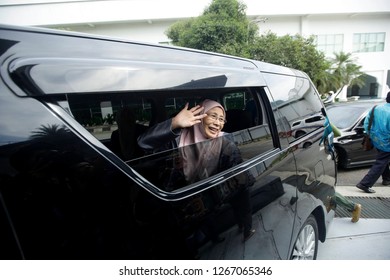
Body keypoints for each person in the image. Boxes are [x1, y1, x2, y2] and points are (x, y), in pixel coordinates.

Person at [137, 99, 256, 242]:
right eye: (213, 116)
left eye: (221, 119)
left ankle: (246, 228)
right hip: (182, 203)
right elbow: (142, 144)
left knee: (241, 193)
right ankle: (213, 238)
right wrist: (174, 123)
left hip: (213, 194)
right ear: (200, 116)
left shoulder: (225, 140)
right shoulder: (177, 140)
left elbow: (238, 171)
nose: (217, 123)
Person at [356, 92, 390, 193]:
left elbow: (367, 123)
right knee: (381, 161)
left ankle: (387, 179)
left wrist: (373, 135)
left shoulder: (376, 108)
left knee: (383, 159)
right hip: (387, 142)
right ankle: (365, 183)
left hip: (375, 140)